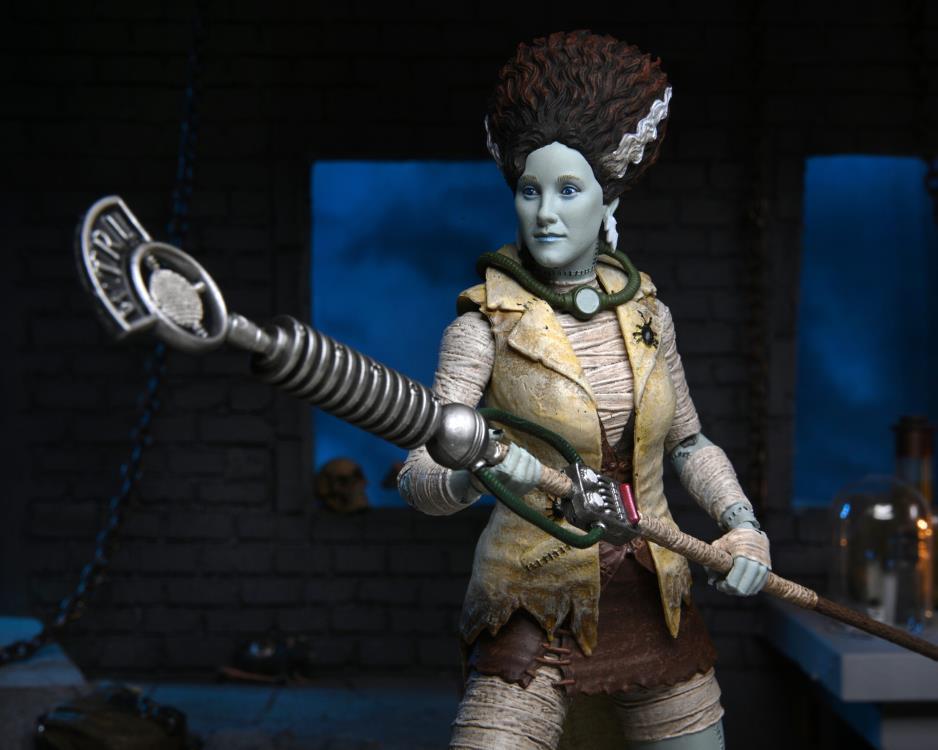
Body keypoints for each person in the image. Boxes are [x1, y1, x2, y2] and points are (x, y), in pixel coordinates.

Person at [398, 30, 771, 750]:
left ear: (607, 197)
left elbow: (690, 443)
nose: (546, 212)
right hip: (531, 603)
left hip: (654, 603)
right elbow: (419, 477)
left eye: (568, 191)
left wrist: (742, 523)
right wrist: (477, 472)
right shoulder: (484, 325)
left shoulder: (649, 316)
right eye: (530, 190)